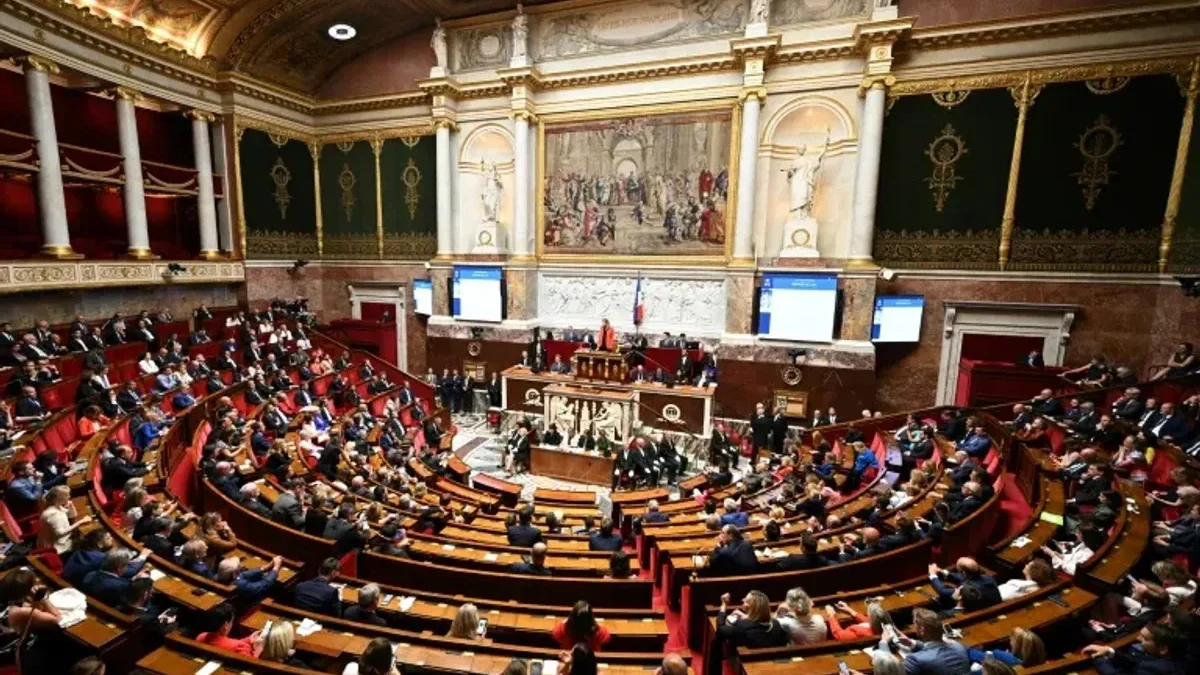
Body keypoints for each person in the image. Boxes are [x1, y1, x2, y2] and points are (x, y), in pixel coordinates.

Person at [891, 608, 969, 675]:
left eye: (914, 624)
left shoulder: (915, 660)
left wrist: (884, 644)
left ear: (921, 630)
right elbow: (935, 649)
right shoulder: (960, 648)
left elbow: (892, 672)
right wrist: (912, 643)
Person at [716, 590, 789, 647]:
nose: (743, 600)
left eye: (746, 601)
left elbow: (720, 630)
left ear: (752, 608)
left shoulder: (741, 625)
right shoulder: (776, 625)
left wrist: (724, 605)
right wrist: (747, 617)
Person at [37, 485, 92, 554]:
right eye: (67, 495)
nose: (69, 497)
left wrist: (71, 505)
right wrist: (81, 522)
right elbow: (60, 533)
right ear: (60, 498)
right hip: (59, 547)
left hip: (63, 540)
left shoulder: (57, 506)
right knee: (89, 541)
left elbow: (73, 515)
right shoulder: (53, 514)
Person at [196, 602, 264, 657]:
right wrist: (258, 650)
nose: (232, 624)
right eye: (232, 621)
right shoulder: (241, 647)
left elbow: (229, 643)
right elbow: (250, 666)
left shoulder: (201, 636)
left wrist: (249, 639)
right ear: (225, 625)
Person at [968, 627, 1047, 667]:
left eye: (1011, 640)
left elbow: (972, 654)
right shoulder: (1039, 656)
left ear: (1018, 646)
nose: (1010, 641)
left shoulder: (1000, 655)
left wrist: (979, 649)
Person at [825, 599, 892, 640]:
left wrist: (831, 615)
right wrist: (849, 610)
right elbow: (868, 620)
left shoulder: (862, 633)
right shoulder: (883, 627)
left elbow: (839, 635)